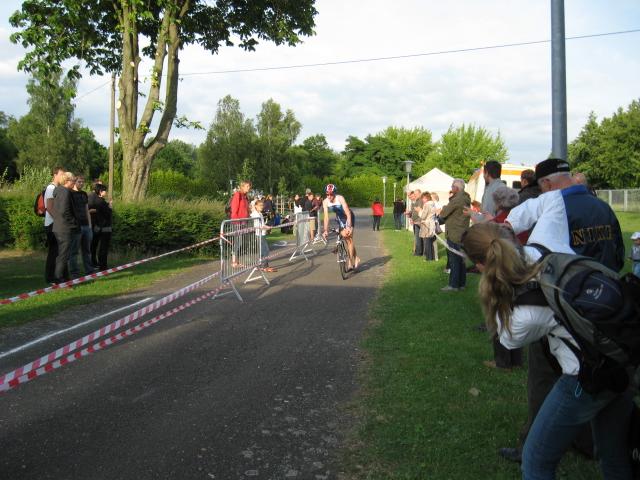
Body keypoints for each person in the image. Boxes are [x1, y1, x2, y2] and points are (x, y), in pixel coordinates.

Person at [462, 222, 633, 479]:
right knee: (614, 454)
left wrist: (494, 291)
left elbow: (508, 339)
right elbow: (550, 206)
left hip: (586, 377)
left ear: (480, 266)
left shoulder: (525, 314)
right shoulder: (542, 246)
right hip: (622, 357)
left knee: (535, 462)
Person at [499, 157, 625, 463]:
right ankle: (586, 443)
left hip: (563, 309)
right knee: (595, 375)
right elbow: (619, 256)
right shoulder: (603, 207)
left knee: (543, 378)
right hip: (605, 309)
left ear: (546, 184)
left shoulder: (555, 211)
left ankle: (532, 446)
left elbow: (544, 261)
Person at [483, 186, 524, 370]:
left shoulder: (497, 223)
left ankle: (502, 361)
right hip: (520, 270)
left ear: (498, 203)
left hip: (500, 272)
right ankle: (516, 359)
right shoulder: (521, 219)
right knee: (515, 314)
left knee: (498, 315)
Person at [437, 179, 470, 291]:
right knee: (461, 260)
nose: (451, 188)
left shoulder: (457, 199)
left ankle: (453, 285)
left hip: (455, 233)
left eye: (452, 186)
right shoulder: (466, 197)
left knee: (454, 260)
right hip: (463, 231)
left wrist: (443, 209)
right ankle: (461, 284)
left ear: (456, 188)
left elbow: (444, 213)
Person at [322, 183, 360, 271]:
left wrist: (349, 227)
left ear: (334, 193)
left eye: (331, 194)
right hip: (340, 218)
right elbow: (326, 217)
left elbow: (348, 213)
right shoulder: (325, 202)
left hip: (349, 217)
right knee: (347, 239)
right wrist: (325, 230)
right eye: (327, 194)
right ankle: (356, 258)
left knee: (349, 239)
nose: (329, 196)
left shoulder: (340, 198)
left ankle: (350, 262)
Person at [68, 175, 95, 277]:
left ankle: (89, 271)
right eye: (79, 181)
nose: (81, 183)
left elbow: (86, 210)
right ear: (74, 182)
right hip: (76, 226)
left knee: (87, 250)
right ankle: (74, 273)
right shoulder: (70, 193)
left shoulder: (84, 194)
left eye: (83, 182)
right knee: (74, 251)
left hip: (86, 226)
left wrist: (90, 225)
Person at [44, 166, 66, 284]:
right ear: (55, 175)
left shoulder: (59, 188)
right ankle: (51, 277)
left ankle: (58, 276)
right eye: (61, 174)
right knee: (54, 252)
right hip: (52, 224)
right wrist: (59, 220)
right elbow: (49, 207)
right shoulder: (50, 188)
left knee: (59, 251)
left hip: (57, 224)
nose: (63, 176)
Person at [88, 183, 113, 271]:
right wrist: (110, 206)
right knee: (103, 247)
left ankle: (96, 263)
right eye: (105, 191)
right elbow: (108, 214)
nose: (106, 192)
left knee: (95, 246)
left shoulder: (95, 200)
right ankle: (103, 266)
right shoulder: (102, 202)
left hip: (97, 226)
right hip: (105, 227)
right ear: (100, 191)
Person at [229, 180, 251, 267]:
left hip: (243, 222)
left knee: (239, 242)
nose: (249, 188)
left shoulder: (245, 197)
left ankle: (236, 261)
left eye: (249, 186)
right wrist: (237, 222)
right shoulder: (238, 195)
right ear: (242, 186)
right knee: (238, 242)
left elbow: (245, 210)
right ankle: (234, 262)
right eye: (247, 186)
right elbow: (234, 210)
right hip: (237, 223)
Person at [251, 199, 276, 272]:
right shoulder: (255, 214)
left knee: (262, 251)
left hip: (262, 234)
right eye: (260, 205)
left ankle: (261, 265)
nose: (262, 207)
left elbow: (262, 225)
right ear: (256, 206)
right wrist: (266, 227)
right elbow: (258, 226)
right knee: (266, 250)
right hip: (259, 234)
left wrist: (267, 227)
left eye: (262, 205)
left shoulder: (260, 214)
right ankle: (265, 266)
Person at [417, 192, 436, 261]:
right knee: (430, 241)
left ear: (426, 198)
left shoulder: (427, 205)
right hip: (431, 223)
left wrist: (419, 211)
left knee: (427, 241)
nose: (422, 200)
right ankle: (431, 257)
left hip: (426, 224)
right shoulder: (433, 204)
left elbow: (423, 216)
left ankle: (428, 258)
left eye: (423, 198)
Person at [410, 189, 423, 255]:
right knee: (417, 237)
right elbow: (414, 211)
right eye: (414, 194)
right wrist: (412, 218)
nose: (415, 195)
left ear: (420, 193)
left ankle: (418, 252)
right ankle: (418, 251)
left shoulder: (420, 200)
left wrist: (416, 209)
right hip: (416, 221)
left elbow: (419, 210)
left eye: (416, 194)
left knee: (418, 238)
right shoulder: (417, 200)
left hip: (419, 221)